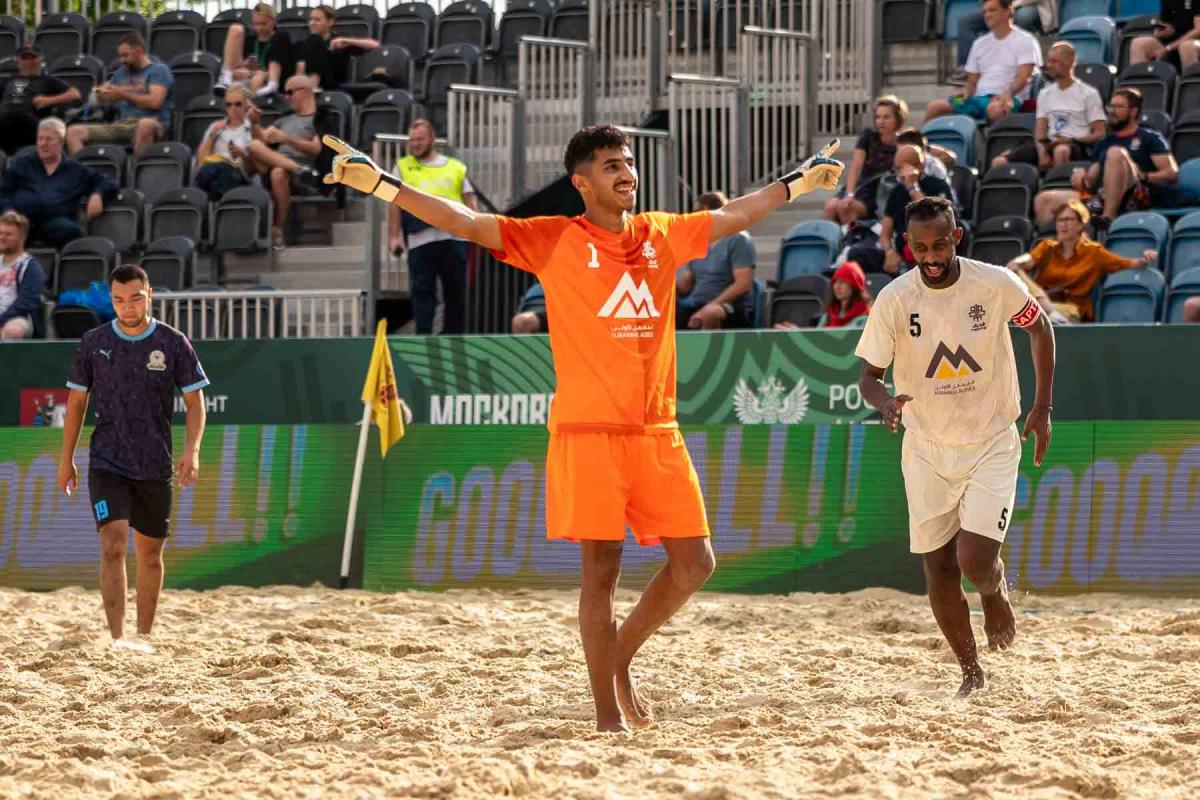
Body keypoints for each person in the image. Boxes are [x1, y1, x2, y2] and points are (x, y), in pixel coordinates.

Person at [323, 126, 842, 731]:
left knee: (696, 564)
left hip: (657, 430)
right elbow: (462, 220)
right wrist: (384, 185)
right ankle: (606, 717)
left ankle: (618, 658)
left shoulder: (661, 233)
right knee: (601, 574)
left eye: (628, 161)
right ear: (581, 182)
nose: (626, 172)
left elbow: (736, 215)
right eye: (610, 165)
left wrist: (797, 182)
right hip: (589, 432)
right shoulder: (554, 238)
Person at [855, 196, 1055, 698]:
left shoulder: (995, 283)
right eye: (921, 248)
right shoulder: (895, 299)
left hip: (991, 440)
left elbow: (1041, 328)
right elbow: (869, 377)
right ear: (908, 245)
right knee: (938, 567)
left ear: (957, 237)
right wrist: (885, 403)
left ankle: (994, 589)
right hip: (926, 448)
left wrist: (1042, 406)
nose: (932, 256)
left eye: (940, 245)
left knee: (975, 561)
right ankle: (970, 672)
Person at [56, 264, 209, 650]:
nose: (128, 306)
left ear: (149, 295)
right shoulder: (94, 341)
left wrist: (192, 451)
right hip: (106, 461)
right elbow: (76, 403)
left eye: (136, 298)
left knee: (150, 554)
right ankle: (118, 639)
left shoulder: (173, 342)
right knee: (112, 545)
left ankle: (144, 636)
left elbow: (196, 402)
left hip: (155, 462)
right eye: (119, 299)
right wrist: (66, 458)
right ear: (111, 300)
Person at [1032, 88, 1199, 228]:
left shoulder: (1150, 137)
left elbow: (1171, 173)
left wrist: (1142, 175)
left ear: (1133, 111)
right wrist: (1081, 179)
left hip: (1140, 197)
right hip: (1101, 199)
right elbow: (1092, 181)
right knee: (1045, 199)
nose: (1111, 111)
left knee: (1116, 153)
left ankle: (1108, 219)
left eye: (1118, 107)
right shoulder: (1105, 142)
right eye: (1110, 106)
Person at [388, 119, 476, 334]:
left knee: (456, 291)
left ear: (432, 140)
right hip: (420, 237)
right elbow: (394, 202)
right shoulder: (402, 167)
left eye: (420, 139)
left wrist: (476, 228)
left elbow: (469, 199)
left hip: (454, 236)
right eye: (412, 140)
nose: (415, 144)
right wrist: (394, 236)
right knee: (422, 290)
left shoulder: (455, 167)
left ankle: (454, 337)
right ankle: (424, 337)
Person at [1007, 199, 1156, 322]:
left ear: (1080, 225)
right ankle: (1049, 312)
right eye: (1059, 220)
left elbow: (1124, 263)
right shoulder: (1047, 247)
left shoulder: (1093, 252)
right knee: (1013, 271)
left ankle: (1050, 315)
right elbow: (1029, 259)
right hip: (1041, 307)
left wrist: (1145, 258)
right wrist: (1018, 262)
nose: (1063, 225)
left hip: (1070, 311)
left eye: (1068, 220)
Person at [0, 118, 118, 248]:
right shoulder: (21, 164)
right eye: (40, 139)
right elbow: (4, 192)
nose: (43, 144)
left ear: (61, 142)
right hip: (21, 221)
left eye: (49, 139)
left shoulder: (75, 170)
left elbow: (108, 181)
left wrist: (98, 194)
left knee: (67, 230)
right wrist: (8, 211)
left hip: (54, 223)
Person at [243, 75, 328, 249]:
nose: (286, 97)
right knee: (254, 145)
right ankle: (298, 169)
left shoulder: (318, 118)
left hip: (299, 169)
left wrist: (287, 139)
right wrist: (255, 123)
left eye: (290, 92)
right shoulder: (285, 119)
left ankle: (278, 229)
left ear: (304, 92)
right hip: (278, 162)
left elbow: (317, 148)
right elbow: (263, 139)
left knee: (278, 173)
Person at [992, 41, 1105, 171]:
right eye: (1048, 61)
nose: (1049, 66)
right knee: (999, 161)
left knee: (1061, 150)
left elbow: (1100, 133)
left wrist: (1072, 140)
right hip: (1049, 144)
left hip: (1077, 145)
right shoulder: (1045, 94)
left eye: (1054, 62)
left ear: (1070, 62)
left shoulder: (1089, 94)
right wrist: (1042, 154)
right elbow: (1040, 132)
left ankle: (1058, 182)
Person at [926, 0, 1042, 124]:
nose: (987, 15)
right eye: (985, 11)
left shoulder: (1026, 40)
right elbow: (972, 82)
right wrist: (966, 91)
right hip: (977, 100)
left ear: (1008, 11)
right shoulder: (979, 43)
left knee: (995, 109)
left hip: (1008, 98)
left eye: (992, 10)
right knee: (935, 107)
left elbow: (1024, 78)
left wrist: (1008, 93)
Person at [847, 145, 954, 275]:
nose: (898, 173)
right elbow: (885, 234)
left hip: (931, 249)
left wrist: (913, 188)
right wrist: (889, 251)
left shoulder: (937, 185)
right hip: (901, 254)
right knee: (856, 253)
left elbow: (934, 218)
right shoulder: (896, 191)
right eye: (896, 169)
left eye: (900, 168)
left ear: (919, 166)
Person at [65, 33, 174, 157]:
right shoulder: (120, 73)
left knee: (145, 124)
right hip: (122, 124)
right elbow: (100, 95)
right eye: (120, 56)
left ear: (139, 50)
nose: (122, 60)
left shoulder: (159, 70)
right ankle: (84, 169)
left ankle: (138, 168)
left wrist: (122, 93)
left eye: (126, 55)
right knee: (73, 132)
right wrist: (100, 93)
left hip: (153, 123)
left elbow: (155, 102)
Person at [676, 192, 756, 330]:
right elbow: (686, 285)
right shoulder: (696, 242)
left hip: (729, 306)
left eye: (694, 213)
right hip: (696, 304)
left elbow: (743, 284)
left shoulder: (738, 239)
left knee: (710, 313)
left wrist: (711, 305)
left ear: (706, 211)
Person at [823, 95, 906, 225]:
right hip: (860, 185)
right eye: (878, 117)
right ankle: (824, 237)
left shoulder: (904, 142)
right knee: (831, 205)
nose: (881, 121)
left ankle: (851, 236)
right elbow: (856, 167)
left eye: (886, 117)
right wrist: (849, 194)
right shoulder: (868, 136)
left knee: (847, 208)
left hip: (879, 193)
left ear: (898, 118)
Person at [0, 44, 81, 156]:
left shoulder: (48, 80)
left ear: (40, 60)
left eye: (32, 58)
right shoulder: (8, 80)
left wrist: (48, 100)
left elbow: (75, 94)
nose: (29, 62)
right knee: (8, 113)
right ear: (19, 61)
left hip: (32, 122)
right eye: (24, 58)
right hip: (5, 120)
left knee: (14, 113)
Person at [217, 2, 295, 97]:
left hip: (269, 81)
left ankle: (255, 99)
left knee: (257, 79)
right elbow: (244, 66)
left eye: (263, 24)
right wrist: (241, 72)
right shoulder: (250, 40)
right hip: (247, 80)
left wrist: (253, 74)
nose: (259, 28)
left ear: (273, 21)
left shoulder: (281, 38)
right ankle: (226, 78)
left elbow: (282, 69)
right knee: (235, 29)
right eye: (256, 24)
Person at [296, 4, 379, 91]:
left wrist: (346, 40)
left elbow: (374, 44)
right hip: (306, 81)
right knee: (309, 40)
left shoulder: (340, 40)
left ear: (330, 22)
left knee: (314, 38)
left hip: (332, 82)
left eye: (317, 20)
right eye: (311, 19)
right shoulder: (304, 42)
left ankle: (310, 86)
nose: (312, 23)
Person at [953, 0, 1055, 70]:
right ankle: (968, 69)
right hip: (1000, 5)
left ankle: (1016, 67)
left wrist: (1011, 4)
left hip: (1032, 4)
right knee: (965, 21)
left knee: (1022, 17)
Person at [194, 85, 254, 202]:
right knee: (210, 172)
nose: (233, 108)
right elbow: (201, 161)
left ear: (247, 105)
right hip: (212, 172)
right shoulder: (215, 126)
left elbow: (254, 169)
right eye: (229, 104)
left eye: (238, 104)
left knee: (222, 170)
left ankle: (213, 207)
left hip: (239, 175)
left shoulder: (251, 128)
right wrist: (212, 136)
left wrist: (243, 154)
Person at [0, 211, 45, 340]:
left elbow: (26, 303)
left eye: (8, 234)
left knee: (14, 331)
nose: (2, 237)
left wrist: (1, 320)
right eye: (0, 233)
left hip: (17, 319)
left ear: (22, 238)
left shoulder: (30, 266)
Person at [1129, 1, 1200, 70]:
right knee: (1138, 43)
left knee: (1186, 46)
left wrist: (1168, 48)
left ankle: (1190, 77)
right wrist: (1160, 32)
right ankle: (1139, 77)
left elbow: (1198, 31)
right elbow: (1163, 25)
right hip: (1172, 42)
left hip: (1195, 42)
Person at [821, 261, 872, 327]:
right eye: (835, 281)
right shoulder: (828, 316)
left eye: (842, 282)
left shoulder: (864, 317)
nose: (837, 286)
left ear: (854, 286)